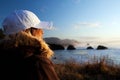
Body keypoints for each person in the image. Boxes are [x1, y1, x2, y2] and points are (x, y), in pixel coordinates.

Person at [0, 10, 59, 80]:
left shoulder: (5, 56)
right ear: (30, 31)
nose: (42, 32)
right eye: (39, 28)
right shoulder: (38, 63)